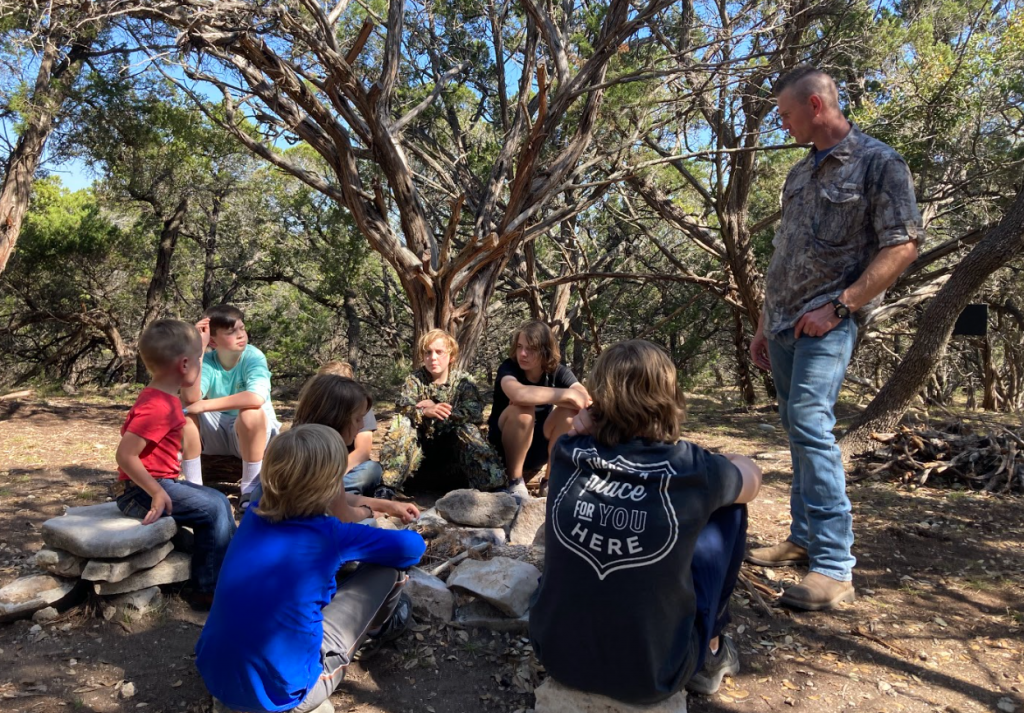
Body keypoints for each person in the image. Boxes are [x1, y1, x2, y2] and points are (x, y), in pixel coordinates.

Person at [747, 65, 921, 611]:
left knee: (810, 423)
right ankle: (802, 539)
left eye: (786, 114)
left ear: (816, 106)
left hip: (829, 322)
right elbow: (785, 254)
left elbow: (904, 244)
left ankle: (834, 567)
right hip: (780, 324)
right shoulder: (798, 175)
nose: (783, 123)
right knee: (796, 429)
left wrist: (841, 305)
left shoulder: (879, 163)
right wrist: (760, 322)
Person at [529, 340, 762, 704]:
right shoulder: (694, 468)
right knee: (730, 510)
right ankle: (712, 646)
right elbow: (753, 478)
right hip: (655, 675)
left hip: (557, 655)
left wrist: (590, 419)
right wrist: (728, 460)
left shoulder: (566, 452)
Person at [196, 424, 426, 713]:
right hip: (285, 695)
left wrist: (374, 506)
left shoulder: (255, 510)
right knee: (390, 572)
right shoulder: (329, 535)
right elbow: (411, 549)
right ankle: (379, 631)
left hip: (214, 674)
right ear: (331, 486)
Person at [114, 319, 236, 608]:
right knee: (215, 507)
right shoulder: (159, 407)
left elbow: (185, 373)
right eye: (199, 360)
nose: (201, 363)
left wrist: (199, 346)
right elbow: (125, 455)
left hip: (157, 483)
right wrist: (156, 491)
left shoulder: (162, 394)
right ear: (184, 365)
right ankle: (207, 589)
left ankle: (228, 568)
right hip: (141, 490)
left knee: (219, 501)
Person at [253, 374, 420, 525]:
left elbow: (334, 500)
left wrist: (387, 505)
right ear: (336, 418)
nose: (361, 425)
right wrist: (369, 512)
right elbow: (343, 515)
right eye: (357, 419)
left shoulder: (291, 443)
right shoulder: (325, 454)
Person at [377, 329, 505, 499]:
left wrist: (437, 409)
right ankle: (387, 486)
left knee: (467, 429)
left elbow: (474, 412)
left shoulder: (463, 382)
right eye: (428, 352)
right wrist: (424, 411)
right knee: (402, 423)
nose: (433, 357)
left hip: (454, 461)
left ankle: (493, 485)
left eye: (439, 352)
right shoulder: (415, 380)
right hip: (418, 460)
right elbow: (403, 406)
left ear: (451, 356)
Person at [181, 304, 281, 509]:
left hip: (254, 432)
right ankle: (193, 488)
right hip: (218, 428)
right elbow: (190, 398)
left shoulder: (253, 356)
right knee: (185, 416)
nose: (240, 335)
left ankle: (250, 489)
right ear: (213, 341)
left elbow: (255, 398)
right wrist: (197, 350)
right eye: (231, 332)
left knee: (250, 413)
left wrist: (204, 405)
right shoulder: (207, 361)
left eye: (242, 328)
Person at [488, 321, 589, 500]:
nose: (523, 354)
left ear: (545, 351)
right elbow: (519, 394)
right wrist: (566, 396)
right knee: (523, 410)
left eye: (531, 348)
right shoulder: (508, 368)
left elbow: (585, 401)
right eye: (519, 347)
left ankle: (550, 482)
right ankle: (515, 483)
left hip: (539, 447)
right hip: (503, 448)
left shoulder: (558, 373)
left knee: (568, 416)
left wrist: (562, 397)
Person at [313, 361, 383, 496]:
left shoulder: (362, 406)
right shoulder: (314, 408)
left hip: (346, 468)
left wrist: (333, 477)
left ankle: (332, 494)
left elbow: (362, 451)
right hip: (316, 470)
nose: (360, 424)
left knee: (371, 469)